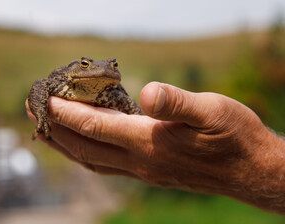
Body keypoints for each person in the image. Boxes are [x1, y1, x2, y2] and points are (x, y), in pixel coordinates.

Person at [25, 81, 285, 214]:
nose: (101, 70)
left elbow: (130, 107)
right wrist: (42, 114)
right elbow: (39, 86)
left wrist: (258, 165)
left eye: (113, 67)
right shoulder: (63, 81)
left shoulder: (112, 91)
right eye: (85, 65)